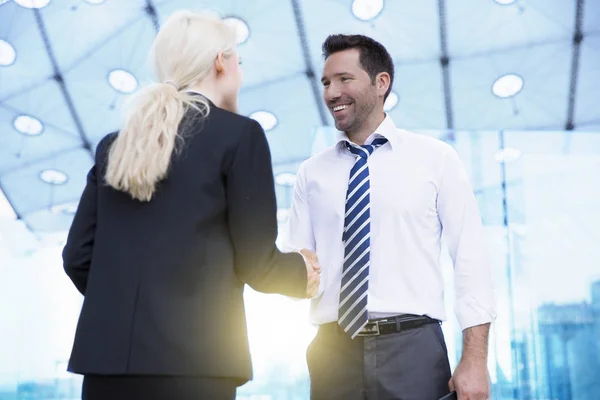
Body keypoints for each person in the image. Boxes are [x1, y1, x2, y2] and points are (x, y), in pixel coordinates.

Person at [61, 11, 320, 400]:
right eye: (239, 61)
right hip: (197, 366)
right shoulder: (239, 136)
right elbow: (257, 263)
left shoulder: (115, 145)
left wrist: (121, 302)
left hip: (107, 367)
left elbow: (77, 256)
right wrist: (304, 272)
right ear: (221, 62)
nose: (240, 72)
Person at [284, 34, 497, 400]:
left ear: (381, 83)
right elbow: (297, 266)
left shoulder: (436, 159)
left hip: (413, 350)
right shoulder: (311, 174)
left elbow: (471, 259)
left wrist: (475, 359)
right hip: (332, 354)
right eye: (326, 83)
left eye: (344, 79)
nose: (332, 92)